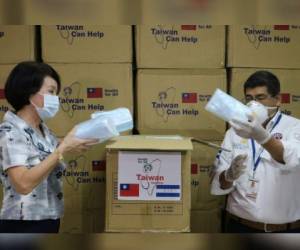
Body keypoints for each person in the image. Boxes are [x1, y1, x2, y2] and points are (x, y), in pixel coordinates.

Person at [0, 61, 97, 233]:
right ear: (29, 93)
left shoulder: (43, 130)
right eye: (51, 92)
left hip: (50, 218)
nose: (55, 99)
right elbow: (22, 184)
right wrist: (62, 149)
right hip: (23, 223)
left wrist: (75, 141)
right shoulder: (10, 132)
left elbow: (44, 152)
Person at [211, 70, 300, 233]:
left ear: (278, 99)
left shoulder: (295, 127)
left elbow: (290, 157)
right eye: (249, 99)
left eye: (260, 98)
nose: (254, 105)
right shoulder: (234, 132)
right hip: (239, 226)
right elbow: (219, 182)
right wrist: (228, 175)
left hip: (285, 230)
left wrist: (259, 134)